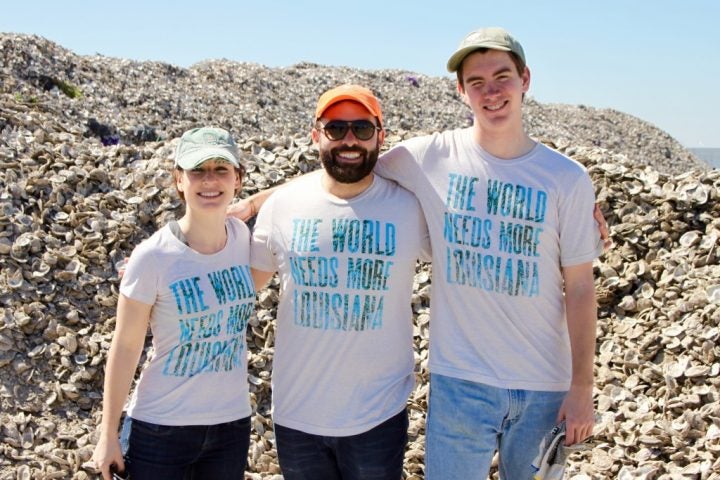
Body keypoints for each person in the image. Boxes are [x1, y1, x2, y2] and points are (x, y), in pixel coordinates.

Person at [373, 27, 601, 479]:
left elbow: (579, 286)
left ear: (525, 80)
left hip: (544, 387)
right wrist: (255, 203)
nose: (491, 92)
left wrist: (582, 388)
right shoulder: (429, 156)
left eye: (502, 77)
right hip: (460, 382)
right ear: (461, 91)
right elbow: (345, 171)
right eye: (476, 82)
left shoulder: (566, 178)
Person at [249, 85, 431, 480]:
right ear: (316, 135)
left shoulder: (411, 207)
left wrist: (572, 215)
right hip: (298, 418)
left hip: (378, 417)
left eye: (362, 129)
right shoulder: (282, 206)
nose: (350, 139)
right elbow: (245, 285)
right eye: (336, 129)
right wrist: (171, 259)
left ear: (381, 137)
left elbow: (472, 235)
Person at [92, 127, 257, 480]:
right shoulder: (153, 256)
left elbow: (312, 186)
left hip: (231, 426)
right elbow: (125, 347)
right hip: (160, 429)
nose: (209, 180)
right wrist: (107, 434)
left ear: (238, 179)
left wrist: (256, 204)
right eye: (197, 170)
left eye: (221, 169)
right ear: (179, 180)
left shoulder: (243, 238)